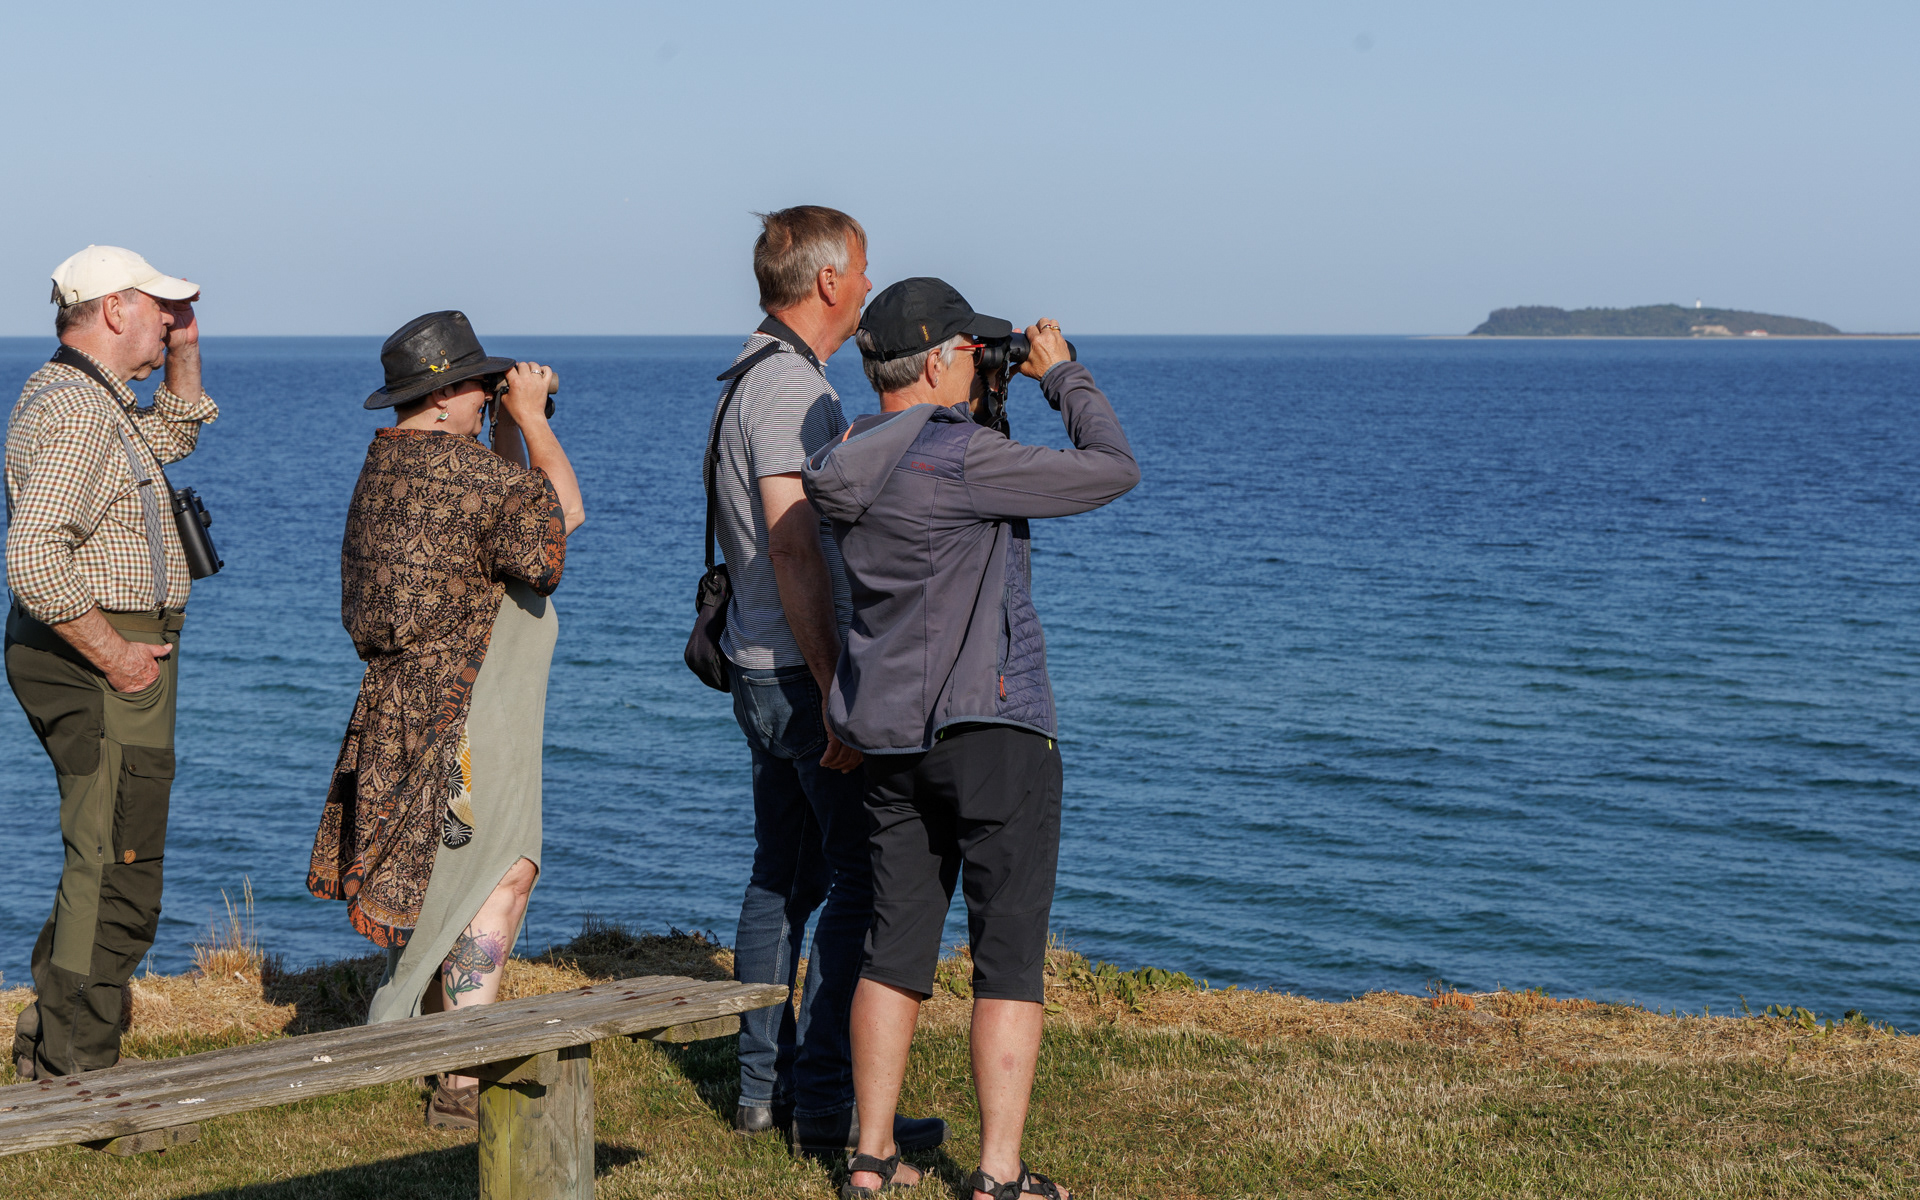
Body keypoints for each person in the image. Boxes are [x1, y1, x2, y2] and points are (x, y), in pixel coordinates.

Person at [801, 279, 1139, 1200]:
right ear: (946, 357)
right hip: (993, 731)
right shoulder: (964, 460)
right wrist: (1062, 375)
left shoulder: (839, 461)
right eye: (973, 353)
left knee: (892, 948)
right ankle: (996, 1174)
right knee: (1008, 953)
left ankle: (869, 1160)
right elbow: (1113, 468)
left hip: (888, 740)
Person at [306, 310, 584, 1129]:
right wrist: (531, 420)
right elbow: (555, 525)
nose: (485, 401)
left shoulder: (389, 463)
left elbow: (491, 517)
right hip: (472, 706)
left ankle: (440, 1043)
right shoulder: (473, 478)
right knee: (503, 870)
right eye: (479, 389)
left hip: (410, 704)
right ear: (446, 394)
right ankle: (458, 1082)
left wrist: (500, 432)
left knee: (451, 871)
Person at [708, 206, 944, 1157]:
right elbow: (796, 546)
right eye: (864, 267)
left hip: (757, 663)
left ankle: (764, 1088)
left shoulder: (752, 373)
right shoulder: (790, 391)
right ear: (832, 282)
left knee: (786, 874)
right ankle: (827, 1104)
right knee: (860, 882)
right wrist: (838, 682)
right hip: (799, 675)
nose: (870, 282)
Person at [5, 246, 218, 1079]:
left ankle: (55, 1044)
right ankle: (79, 1071)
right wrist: (119, 657)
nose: (171, 320)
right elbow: (32, 559)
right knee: (118, 868)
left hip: (99, 651)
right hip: (100, 657)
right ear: (114, 310)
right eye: (160, 308)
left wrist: (187, 349)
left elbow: (167, 438)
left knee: (104, 856)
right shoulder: (76, 411)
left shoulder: (92, 399)